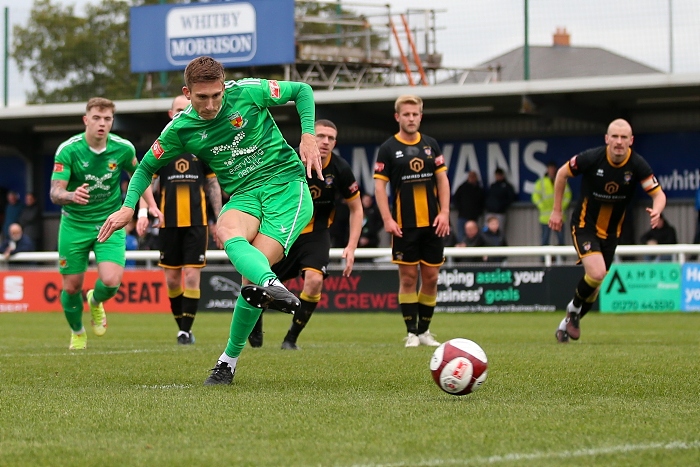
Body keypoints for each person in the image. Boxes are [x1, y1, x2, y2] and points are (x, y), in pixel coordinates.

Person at [97, 56, 323, 386]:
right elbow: (145, 167)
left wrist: (308, 135)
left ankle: (227, 359)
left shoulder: (248, 91)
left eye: (216, 95)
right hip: (245, 196)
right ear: (187, 93)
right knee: (227, 230)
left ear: (223, 86)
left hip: (286, 188)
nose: (211, 104)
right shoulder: (180, 129)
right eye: (202, 97)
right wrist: (130, 207)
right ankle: (270, 288)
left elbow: (302, 90)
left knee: (250, 278)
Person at [51, 97, 161, 350]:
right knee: (71, 286)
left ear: (112, 121)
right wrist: (71, 195)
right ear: (86, 120)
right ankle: (78, 332)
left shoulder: (123, 149)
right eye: (97, 118)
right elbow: (55, 192)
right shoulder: (68, 150)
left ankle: (96, 300)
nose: (102, 124)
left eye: (107, 119)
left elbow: (141, 176)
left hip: (109, 222)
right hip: (74, 224)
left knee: (111, 282)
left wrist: (151, 206)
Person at [248, 119, 362, 350]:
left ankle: (291, 339)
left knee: (314, 280)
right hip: (284, 229)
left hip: (316, 234)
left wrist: (351, 246)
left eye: (330, 138)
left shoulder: (340, 169)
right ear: (309, 137)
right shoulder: (288, 161)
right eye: (320, 136)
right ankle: (255, 323)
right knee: (255, 278)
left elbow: (356, 208)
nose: (325, 142)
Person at [549, 118, 666, 343]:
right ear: (607, 139)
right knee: (597, 273)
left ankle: (566, 324)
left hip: (611, 234)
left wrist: (657, 210)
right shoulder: (592, 158)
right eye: (615, 136)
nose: (619, 142)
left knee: (594, 289)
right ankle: (572, 309)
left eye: (624, 137)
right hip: (585, 225)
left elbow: (658, 194)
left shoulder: (637, 165)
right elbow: (562, 174)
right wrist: (556, 210)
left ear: (631, 141)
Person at [140, 94, 224, 346]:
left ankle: (185, 331)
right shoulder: (162, 148)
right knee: (173, 280)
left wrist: (219, 220)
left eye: (185, 109)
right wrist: (144, 213)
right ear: (170, 113)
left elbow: (212, 184)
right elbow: (147, 181)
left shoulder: (202, 145)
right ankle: (182, 326)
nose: (182, 112)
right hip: (168, 224)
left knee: (191, 276)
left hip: (197, 224)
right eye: (178, 109)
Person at [373, 94, 451, 348]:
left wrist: (445, 212)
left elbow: (442, 180)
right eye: (406, 114)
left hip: (433, 224)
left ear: (421, 115)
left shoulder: (431, 145)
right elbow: (379, 187)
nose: (411, 118)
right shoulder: (387, 148)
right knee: (407, 278)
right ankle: (411, 333)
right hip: (403, 225)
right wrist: (387, 218)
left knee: (431, 278)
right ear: (398, 117)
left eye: (415, 114)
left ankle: (425, 331)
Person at [532, 161, 571, 246]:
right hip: (545, 217)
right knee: (545, 239)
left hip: (559, 217)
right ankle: (543, 259)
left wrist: (560, 207)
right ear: (547, 169)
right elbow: (535, 196)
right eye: (550, 168)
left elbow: (568, 195)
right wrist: (542, 206)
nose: (552, 170)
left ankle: (562, 259)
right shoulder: (541, 182)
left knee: (561, 240)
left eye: (553, 168)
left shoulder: (561, 180)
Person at [452, 171, 485, 244]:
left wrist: (478, 212)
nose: (472, 179)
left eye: (474, 177)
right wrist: (460, 209)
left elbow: (482, 202)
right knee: (461, 235)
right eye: (471, 177)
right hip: (462, 216)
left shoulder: (479, 189)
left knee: (475, 236)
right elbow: (455, 199)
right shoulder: (462, 187)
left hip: (474, 217)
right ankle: (461, 253)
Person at [484, 167, 516, 232]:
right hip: (489, 212)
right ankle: (485, 242)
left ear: (502, 175)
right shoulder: (493, 186)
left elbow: (511, 198)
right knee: (485, 229)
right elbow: (488, 197)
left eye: (499, 175)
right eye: (496, 175)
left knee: (499, 230)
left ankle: (499, 242)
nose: (497, 176)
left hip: (500, 213)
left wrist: (501, 205)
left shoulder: (507, 186)